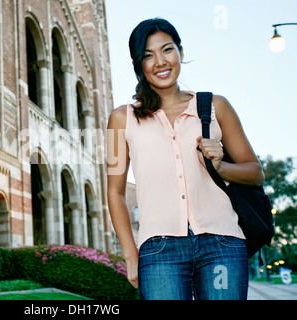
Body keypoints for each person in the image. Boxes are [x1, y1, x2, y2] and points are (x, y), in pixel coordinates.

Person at [106, 18, 265, 300]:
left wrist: (221, 167)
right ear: (137, 64)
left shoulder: (216, 106)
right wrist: (131, 255)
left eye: (167, 50)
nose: (159, 62)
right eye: (147, 55)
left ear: (180, 51)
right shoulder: (121, 119)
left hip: (222, 245)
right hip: (159, 251)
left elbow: (255, 172)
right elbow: (115, 192)